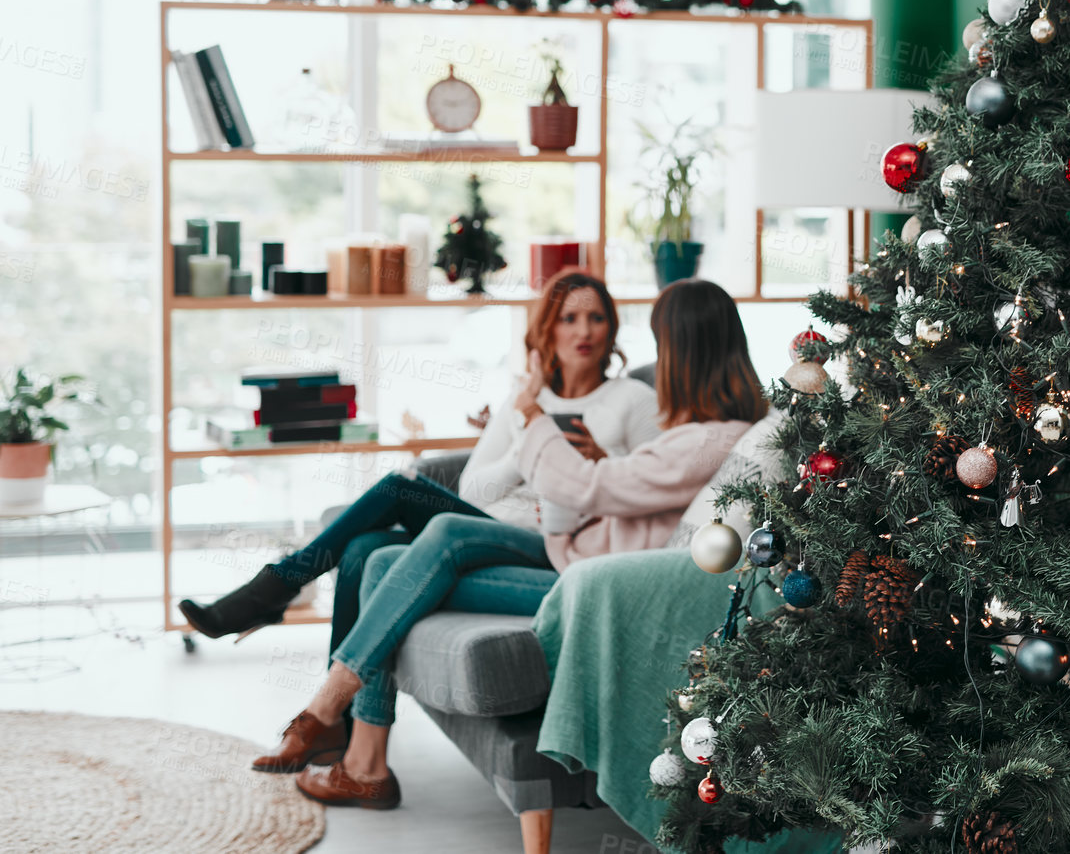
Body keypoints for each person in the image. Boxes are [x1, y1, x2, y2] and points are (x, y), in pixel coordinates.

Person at [266, 278, 766, 810]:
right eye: (567, 319)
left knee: (440, 532)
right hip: (572, 552)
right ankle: (364, 759)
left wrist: (533, 420)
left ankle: (332, 714)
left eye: (663, 348)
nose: (659, 364)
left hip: (592, 580)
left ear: (685, 353)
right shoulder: (695, 433)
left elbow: (590, 487)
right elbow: (605, 486)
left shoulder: (705, 439)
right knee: (384, 557)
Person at [183, 271, 657, 751]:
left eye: (596, 318)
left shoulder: (632, 400)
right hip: (491, 531)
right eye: (570, 318)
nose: (584, 332)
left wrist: (596, 460)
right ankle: (340, 730)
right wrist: (533, 443)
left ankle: (276, 587)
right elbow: (475, 487)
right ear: (547, 329)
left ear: (612, 328)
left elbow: (647, 494)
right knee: (365, 548)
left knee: (402, 488)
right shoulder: (525, 399)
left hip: (555, 544)